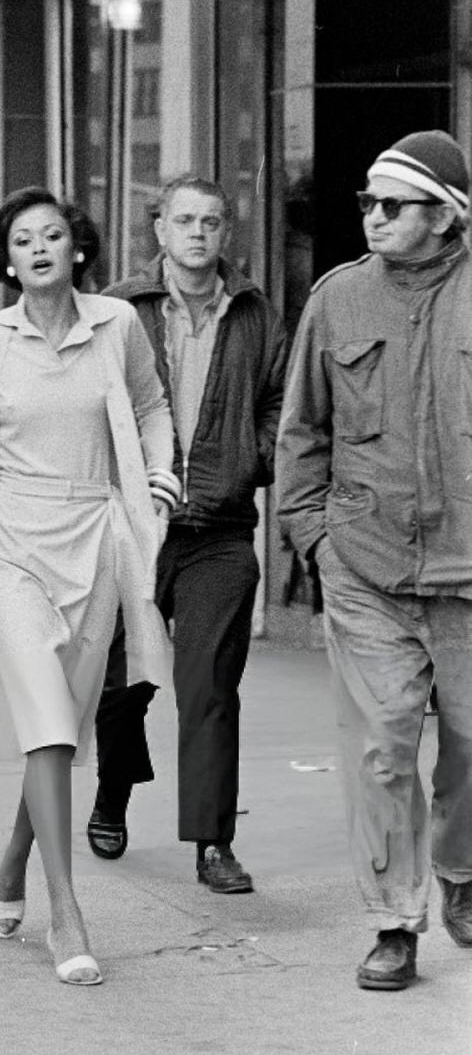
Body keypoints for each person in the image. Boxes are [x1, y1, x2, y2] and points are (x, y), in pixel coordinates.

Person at [0, 187, 177, 987]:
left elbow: (151, 407)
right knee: (46, 720)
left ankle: (11, 858)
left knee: (62, 732)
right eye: (23, 239)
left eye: (53, 235)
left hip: (94, 539)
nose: (38, 247)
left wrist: (162, 480)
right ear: (6, 259)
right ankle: (64, 911)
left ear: (78, 249)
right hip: (9, 545)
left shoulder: (119, 326)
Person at [277, 129, 472, 993]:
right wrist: (315, 541)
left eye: (391, 204)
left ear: (444, 216)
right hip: (366, 568)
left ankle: (460, 876)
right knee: (383, 751)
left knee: (468, 746)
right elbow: (302, 432)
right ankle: (393, 921)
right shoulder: (338, 300)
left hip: (470, 575)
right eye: (366, 201)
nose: (372, 217)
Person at [88, 177, 289, 891]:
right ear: (158, 230)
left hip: (220, 531)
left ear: (226, 234)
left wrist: (251, 463)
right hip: (132, 529)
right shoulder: (118, 308)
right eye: (184, 220)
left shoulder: (256, 313)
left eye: (211, 222)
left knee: (207, 687)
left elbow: (277, 403)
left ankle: (212, 842)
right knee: (118, 685)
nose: (198, 233)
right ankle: (114, 788)